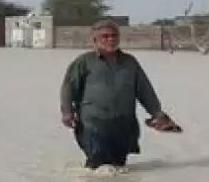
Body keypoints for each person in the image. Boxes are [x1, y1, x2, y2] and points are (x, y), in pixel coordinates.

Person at [59, 19, 180, 170]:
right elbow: (68, 87)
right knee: (97, 163)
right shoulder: (84, 62)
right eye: (105, 36)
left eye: (114, 35)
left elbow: (145, 90)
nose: (111, 39)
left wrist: (158, 114)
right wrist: (67, 112)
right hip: (92, 122)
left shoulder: (130, 62)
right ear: (94, 40)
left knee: (117, 167)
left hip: (123, 124)